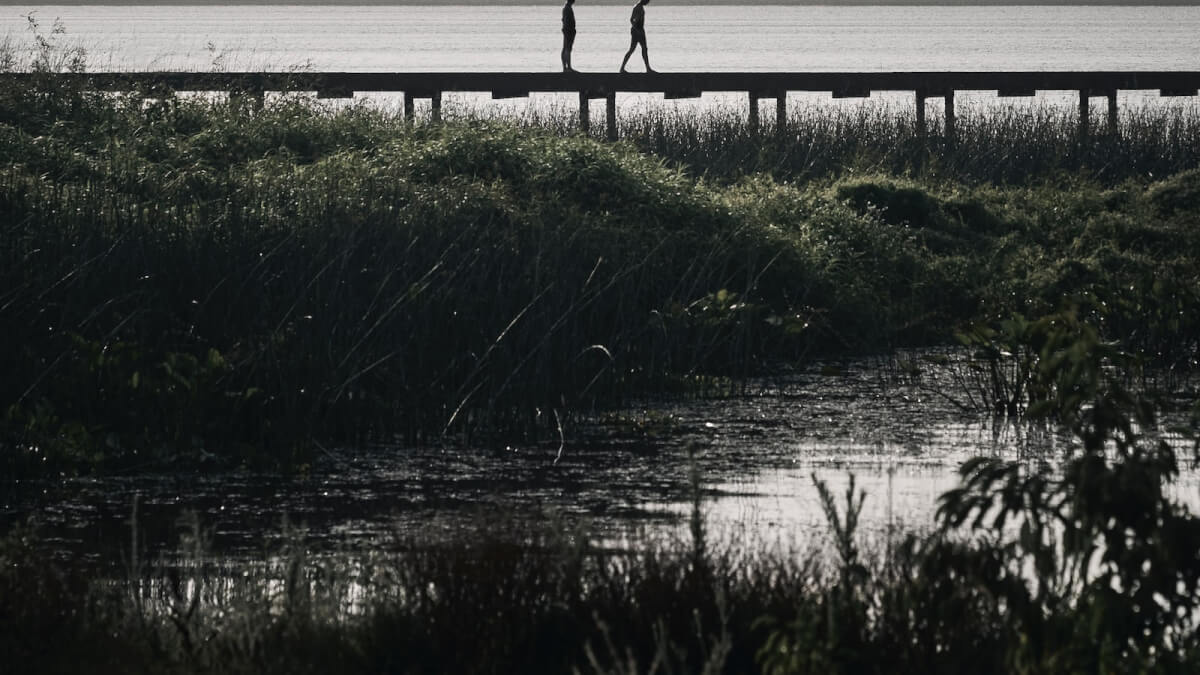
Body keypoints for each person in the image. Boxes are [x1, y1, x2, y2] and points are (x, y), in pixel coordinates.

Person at [619, 0, 654, 73]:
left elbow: (632, 19)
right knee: (635, 49)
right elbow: (632, 20)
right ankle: (622, 68)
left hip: (639, 30)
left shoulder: (638, 6)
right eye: (647, 1)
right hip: (638, 30)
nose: (648, 3)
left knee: (643, 49)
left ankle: (648, 68)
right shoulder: (638, 7)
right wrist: (636, 29)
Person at [561, 0, 577, 72]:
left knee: (566, 48)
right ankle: (568, 67)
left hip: (567, 30)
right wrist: (569, 30)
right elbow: (566, 20)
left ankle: (566, 67)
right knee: (567, 49)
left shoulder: (566, 8)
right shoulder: (567, 9)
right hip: (568, 31)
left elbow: (564, 20)